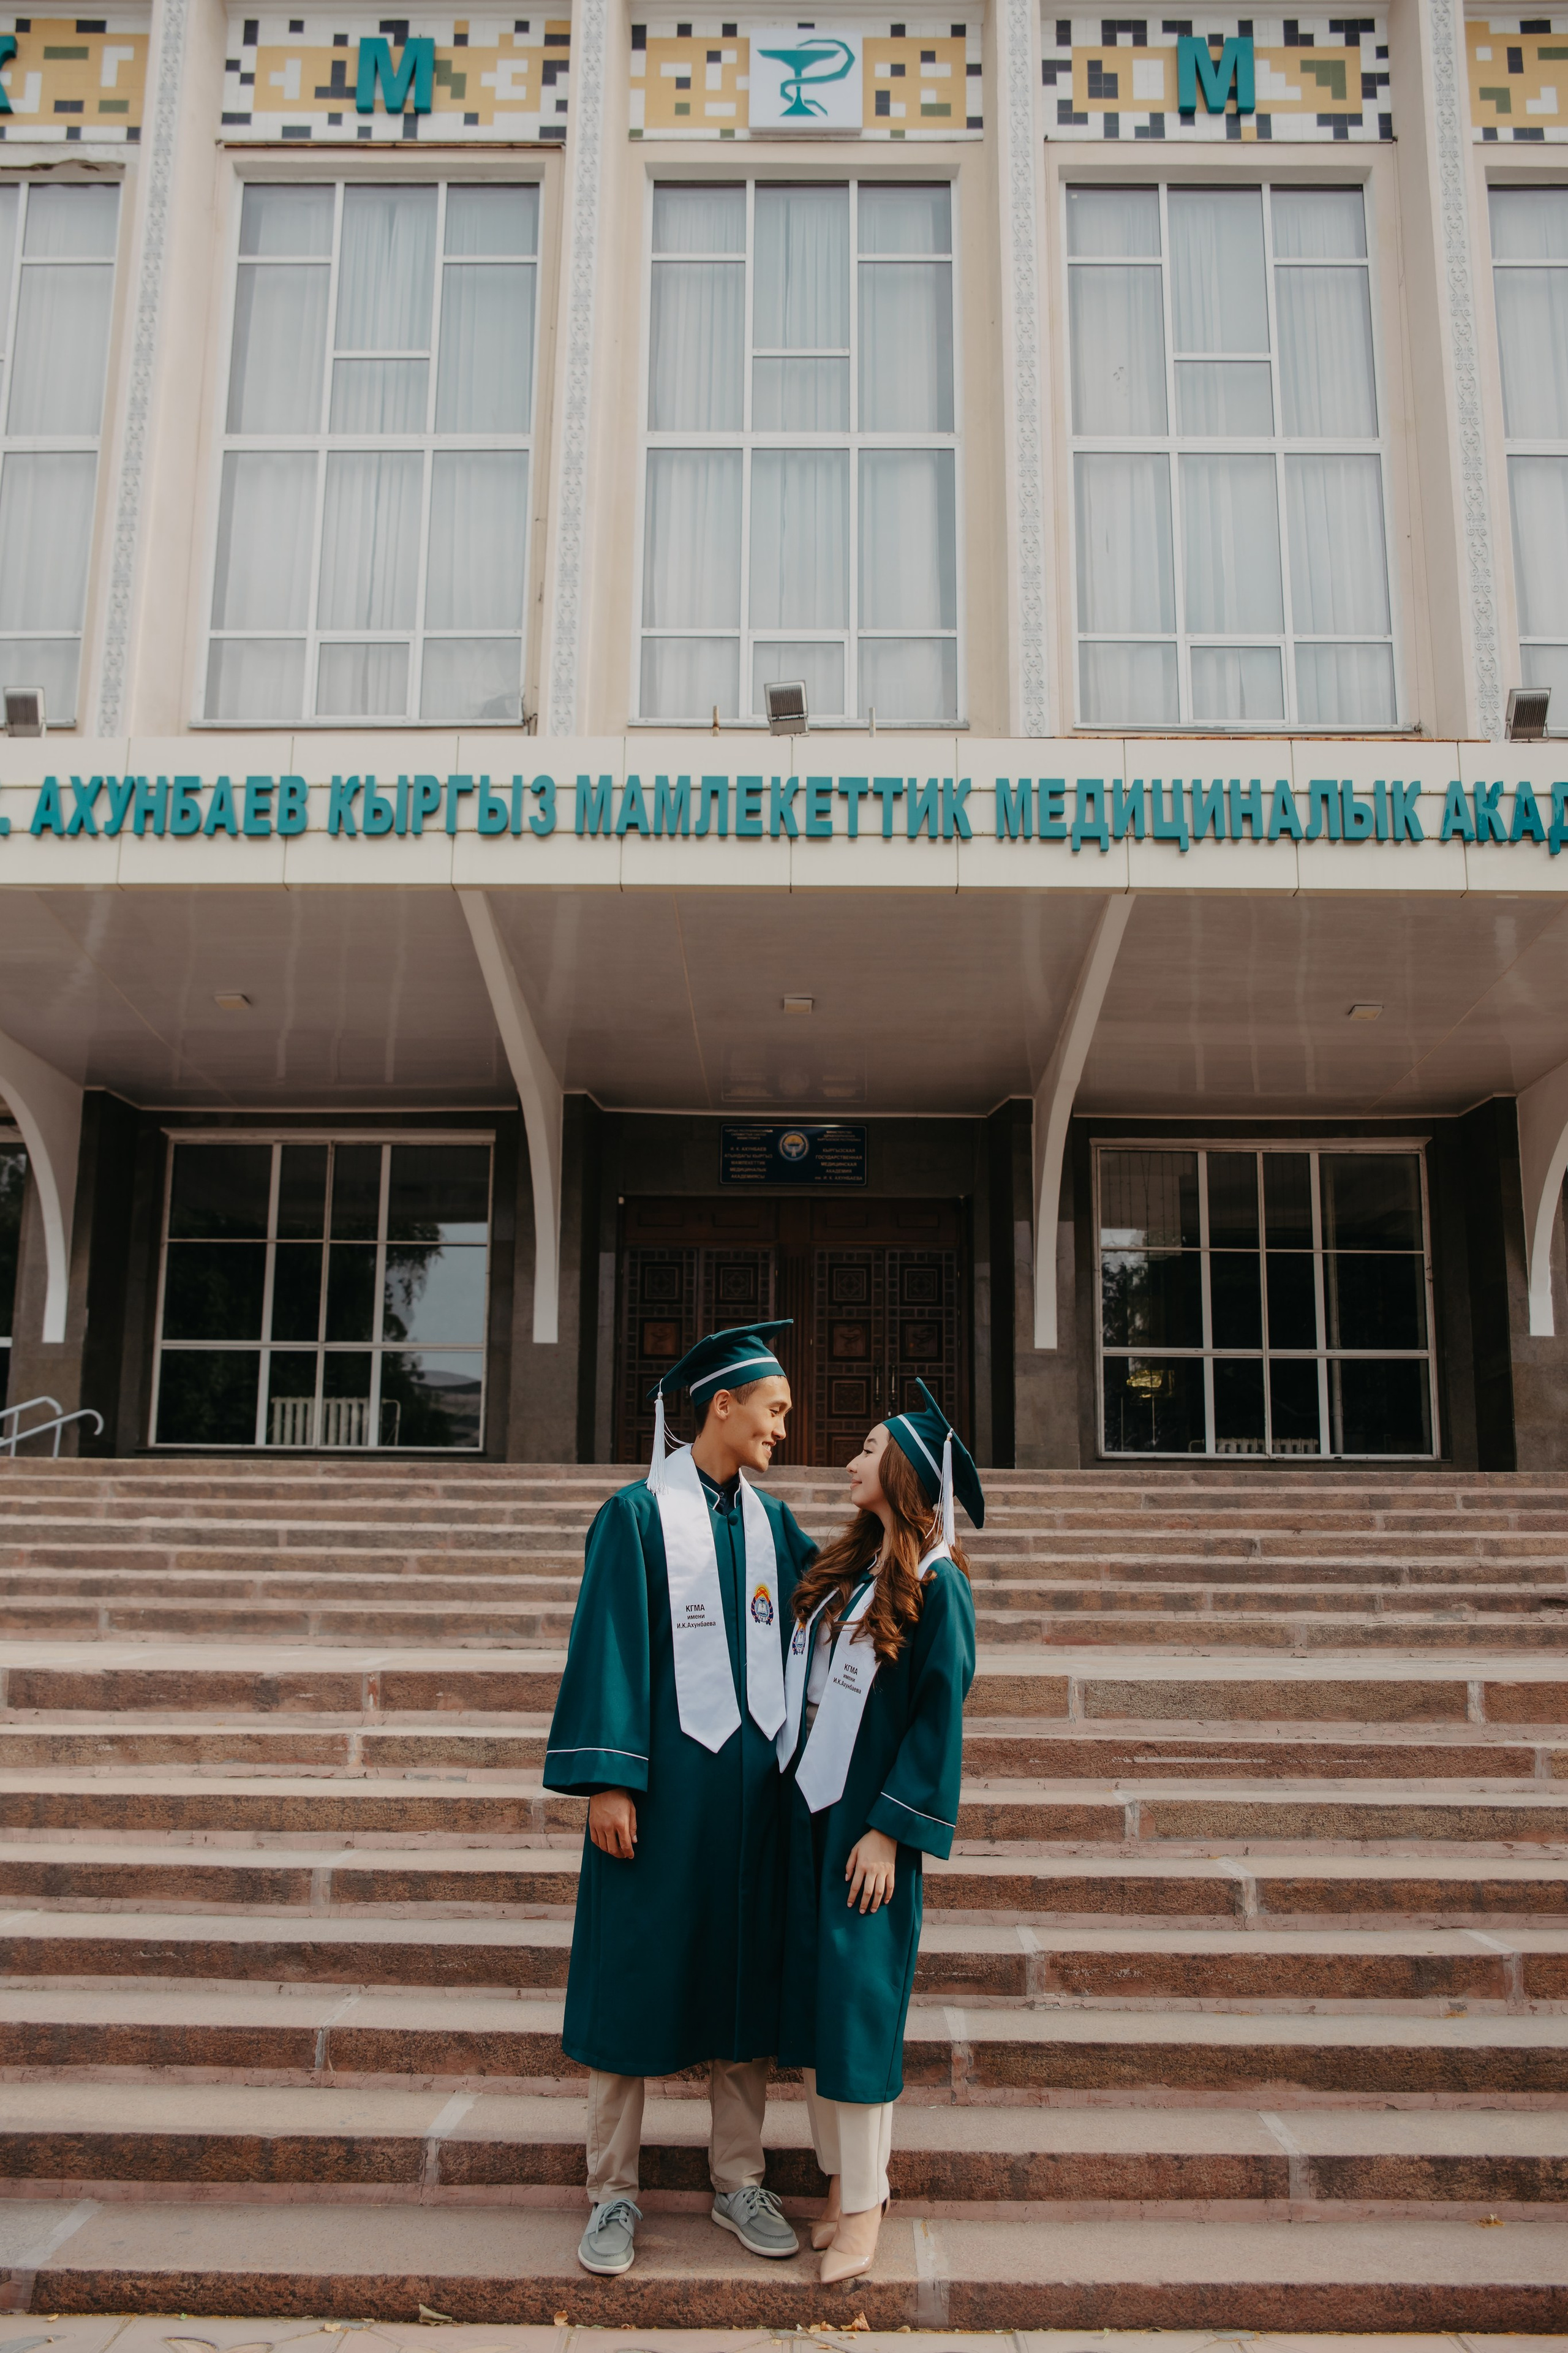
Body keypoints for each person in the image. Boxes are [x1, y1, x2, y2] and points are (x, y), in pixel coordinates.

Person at [543, 1321, 819, 2279]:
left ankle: (739, 2176)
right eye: (775, 1410)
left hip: (751, 1799)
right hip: (657, 1801)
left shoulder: (777, 1526)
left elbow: (835, 1608)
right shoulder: (633, 1516)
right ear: (722, 1406)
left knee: (743, 1984)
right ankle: (611, 2191)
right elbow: (609, 1643)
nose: (785, 1427)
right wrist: (610, 1776)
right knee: (631, 1980)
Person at [777, 1380, 979, 2287]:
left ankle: (866, 2202)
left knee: (859, 2012)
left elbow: (940, 1722)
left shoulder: (940, 1584)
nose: (851, 1460)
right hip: (812, 1816)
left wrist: (891, 1835)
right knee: (821, 2009)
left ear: (900, 1470)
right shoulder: (854, 1570)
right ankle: (836, 2188)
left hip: (867, 1835)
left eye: (866, 1449)